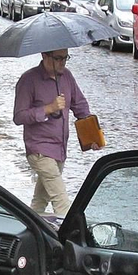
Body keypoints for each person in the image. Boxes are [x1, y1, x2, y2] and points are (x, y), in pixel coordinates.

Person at [12, 49, 92, 217]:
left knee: (40, 201)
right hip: (39, 150)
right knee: (61, 200)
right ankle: (71, 236)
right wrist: (48, 108)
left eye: (65, 57)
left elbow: (81, 106)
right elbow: (19, 116)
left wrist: (92, 136)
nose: (62, 62)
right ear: (44, 56)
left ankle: (30, 229)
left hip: (59, 149)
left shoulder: (67, 77)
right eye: (58, 58)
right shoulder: (29, 80)